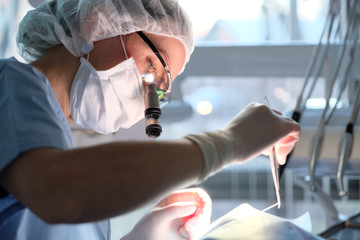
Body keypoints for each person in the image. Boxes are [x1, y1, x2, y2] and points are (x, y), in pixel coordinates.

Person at [0, 0, 301, 239]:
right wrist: (227, 143)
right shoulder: (10, 84)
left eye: (161, 91)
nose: (150, 98)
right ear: (100, 20)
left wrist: (143, 235)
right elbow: (57, 192)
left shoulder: (65, 144)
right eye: (155, 71)